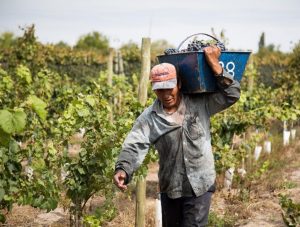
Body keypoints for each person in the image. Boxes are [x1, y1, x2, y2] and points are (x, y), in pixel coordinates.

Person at [113, 45, 240, 227]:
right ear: (154, 89)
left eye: (169, 88)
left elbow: (232, 95)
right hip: (171, 187)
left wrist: (214, 64)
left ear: (179, 84)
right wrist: (123, 169)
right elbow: (135, 144)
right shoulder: (150, 118)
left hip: (200, 185)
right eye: (160, 89)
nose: (166, 94)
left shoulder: (200, 103)